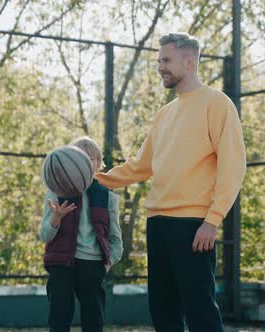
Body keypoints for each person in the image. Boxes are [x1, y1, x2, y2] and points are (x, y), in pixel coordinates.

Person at [94, 32, 246, 332]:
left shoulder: (217, 103)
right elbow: (142, 166)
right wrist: (95, 180)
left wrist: (212, 220)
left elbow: (233, 165)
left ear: (189, 61)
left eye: (166, 60)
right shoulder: (164, 113)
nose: (160, 66)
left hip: (193, 224)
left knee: (200, 309)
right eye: (159, 60)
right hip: (158, 221)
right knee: (162, 310)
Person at [38, 136, 123, 332]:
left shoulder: (107, 196)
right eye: (80, 156)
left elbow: (115, 240)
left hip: (93, 265)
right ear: (70, 160)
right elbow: (44, 235)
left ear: (98, 163)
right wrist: (56, 219)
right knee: (58, 320)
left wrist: (107, 264)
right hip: (61, 264)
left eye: (91, 157)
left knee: (94, 321)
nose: (86, 160)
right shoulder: (55, 192)